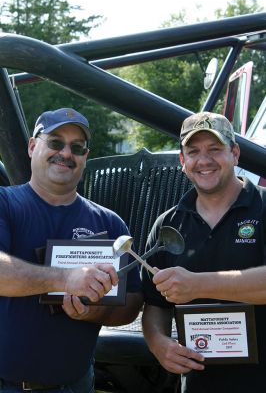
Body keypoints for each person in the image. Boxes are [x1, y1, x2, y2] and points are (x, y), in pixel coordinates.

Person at [0, 108, 143, 393]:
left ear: (85, 157)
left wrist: (94, 312)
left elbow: (132, 302)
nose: (66, 153)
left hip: (77, 384)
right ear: (32, 146)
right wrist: (66, 278)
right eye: (55, 142)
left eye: (77, 148)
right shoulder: (5, 203)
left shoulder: (111, 223)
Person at [142, 111, 266, 393]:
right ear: (183, 161)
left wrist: (197, 284)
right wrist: (158, 343)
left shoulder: (263, 207)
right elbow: (154, 305)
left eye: (215, 149)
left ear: (235, 153)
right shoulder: (168, 223)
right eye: (194, 151)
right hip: (198, 383)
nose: (204, 161)